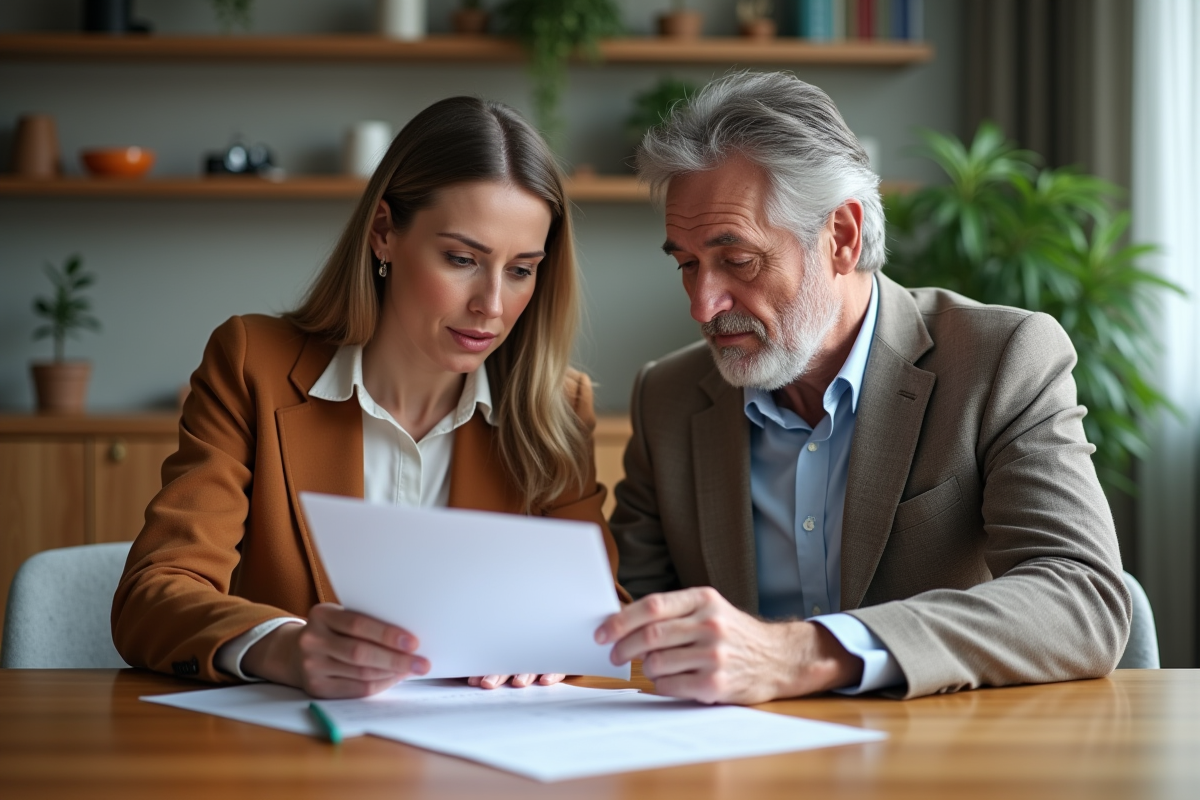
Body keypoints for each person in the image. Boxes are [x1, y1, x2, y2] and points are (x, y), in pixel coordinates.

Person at [595, 71, 1131, 702]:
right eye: (687, 264)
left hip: (938, 759)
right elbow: (628, 616)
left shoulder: (1000, 360)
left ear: (842, 237)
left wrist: (809, 653)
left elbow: (1083, 598)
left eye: (737, 260)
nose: (702, 306)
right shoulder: (668, 396)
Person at [112, 97, 626, 699]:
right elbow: (156, 592)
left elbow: (598, 615)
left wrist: (552, 647)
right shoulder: (254, 363)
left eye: (521, 270)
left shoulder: (555, 405)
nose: (492, 304)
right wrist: (282, 646)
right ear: (384, 231)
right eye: (462, 259)